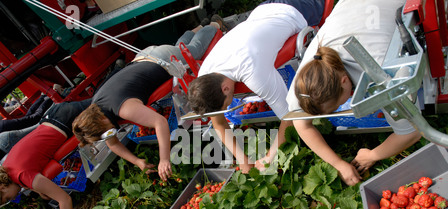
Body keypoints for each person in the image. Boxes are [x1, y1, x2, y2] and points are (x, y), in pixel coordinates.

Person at [286, 0, 422, 186]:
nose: (341, 107)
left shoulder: (380, 72)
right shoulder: (307, 81)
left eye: (337, 105)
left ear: (344, 81)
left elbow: (413, 132)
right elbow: (301, 125)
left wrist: (372, 155)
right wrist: (338, 164)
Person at [72, 22, 223, 181]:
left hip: (161, 59)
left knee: (195, 50)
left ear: (99, 122)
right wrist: (137, 161)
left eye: (105, 132)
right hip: (145, 56)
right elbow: (113, 144)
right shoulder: (96, 106)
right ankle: (196, 28)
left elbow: (160, 122)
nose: (108, 133)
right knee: (178, 49)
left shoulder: (123, 108)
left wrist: (164, 159)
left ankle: (213, 24)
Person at [187, 0, 325, 173]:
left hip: (295, 9)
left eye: (225, 105)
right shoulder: (205, 77)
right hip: (262, 10)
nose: (226, 108)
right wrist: (243, 160)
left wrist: (270, 156)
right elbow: (219, 122)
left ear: (226, 89)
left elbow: (290, 115)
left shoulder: (251, 71)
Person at [0, 99, 91, 209]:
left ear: (3, 186)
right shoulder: (8, 167)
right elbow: (30, 164)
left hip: (65, 120)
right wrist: (40, 190)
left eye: (7, 198)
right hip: (54, 117)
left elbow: (64, 199)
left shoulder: (21, 176)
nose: (12, 199)